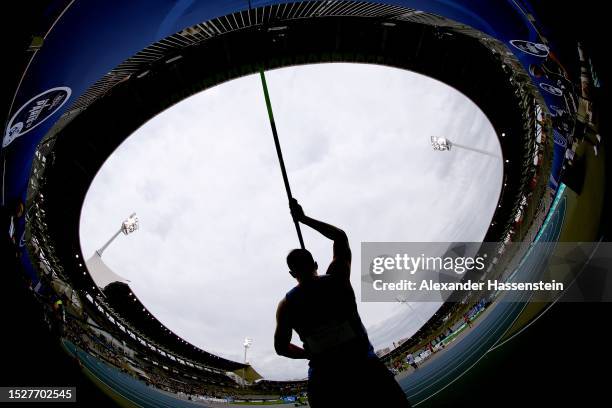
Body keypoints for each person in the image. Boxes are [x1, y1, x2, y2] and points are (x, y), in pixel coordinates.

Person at [274, 199, 411, 407]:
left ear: (292, 274)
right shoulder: (338, 279)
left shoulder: (286, 306)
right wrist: (303, 218)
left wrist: (307, 353)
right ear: (316, 264)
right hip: (365, 370)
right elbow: (340, 236)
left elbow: (281, 347)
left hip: (326, 383)